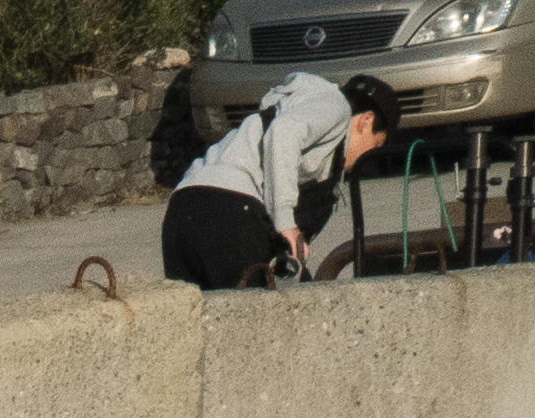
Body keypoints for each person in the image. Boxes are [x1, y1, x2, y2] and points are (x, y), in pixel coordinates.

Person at [161, 70, 402, 288]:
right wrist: (286, 222)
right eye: (376, 143)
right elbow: (284, 132)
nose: (370, 155)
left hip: (181, 214)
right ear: (365, 120)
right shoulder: (336, 106)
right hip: (228, 214)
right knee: (254, 330)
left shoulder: (301, 108)